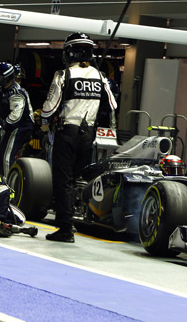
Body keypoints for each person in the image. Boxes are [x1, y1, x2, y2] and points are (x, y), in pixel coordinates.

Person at [41, 32, 117, 243]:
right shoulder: (100, 76)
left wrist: (44, 122)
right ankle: (71, 219)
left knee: (62, 181)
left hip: (68, 132)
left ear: (70, 52)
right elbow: (112, 104)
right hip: (88, 134)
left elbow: (49, 108)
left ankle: (65, 228)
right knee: (75, 180)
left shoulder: (63, 75)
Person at [0, 61, 35, 176]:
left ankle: (8, 187)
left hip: (18, 127)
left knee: (6, 156)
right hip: (5, 126)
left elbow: (15, 117)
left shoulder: (16, 93)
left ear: (7, 78)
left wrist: (1, 127)